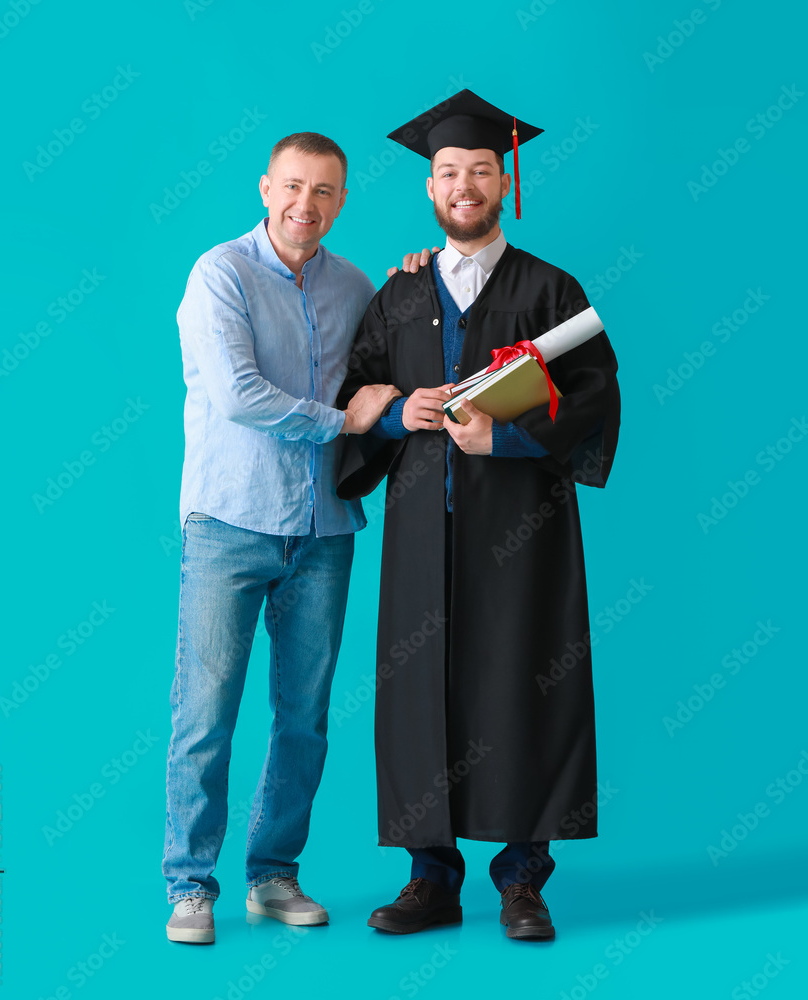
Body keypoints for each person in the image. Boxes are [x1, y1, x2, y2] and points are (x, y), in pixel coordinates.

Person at [337, 90, 621, 941]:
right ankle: (431, 876)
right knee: (422, 691)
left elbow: (596, 399)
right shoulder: (398, 294)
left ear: (505, 183)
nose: (464, 185)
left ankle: (522, 878)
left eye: (480, 171)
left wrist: (513, 440)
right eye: (448, 172)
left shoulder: (549, 287)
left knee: (525, 684)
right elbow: (352, 392)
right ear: (429, 189)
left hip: (521, 529)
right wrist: (395, 416)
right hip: (422, 524)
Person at [162, 131, 405, 944]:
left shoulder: (356, 285)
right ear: (266, 187)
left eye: (325, 192)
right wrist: (343, 420)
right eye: (293, 187)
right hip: (230, 524)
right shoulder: (218, 274)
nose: (307, 205)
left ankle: (272, 874)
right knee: (206, 712)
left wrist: (416, 286)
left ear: (342, 200)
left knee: (303, 715)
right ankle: (190, 885)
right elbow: (237, 395)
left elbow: (388, 361)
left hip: (324, 528)